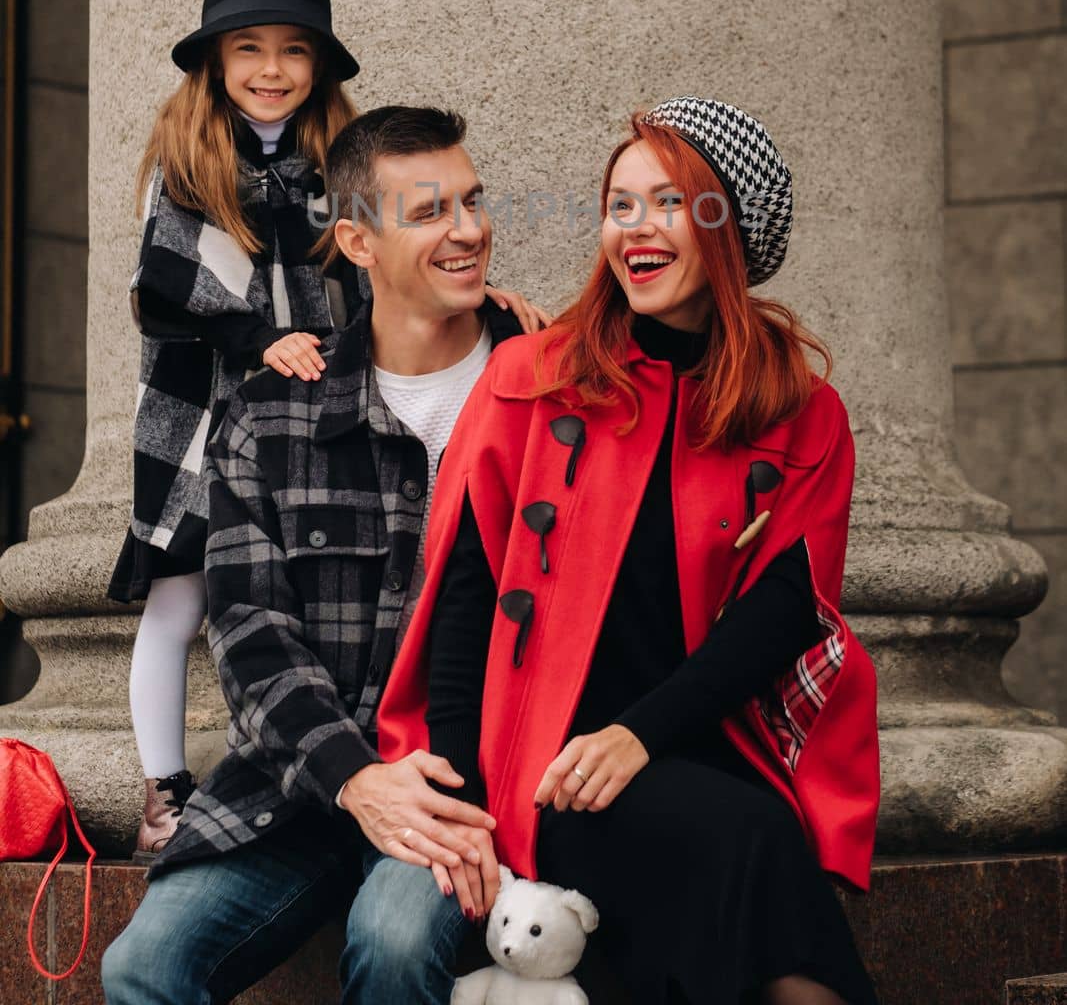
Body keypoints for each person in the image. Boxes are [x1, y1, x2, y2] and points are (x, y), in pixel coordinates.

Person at [379, 96, 882, 1005]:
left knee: (749, 841)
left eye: (671, 204)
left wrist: (638, 736)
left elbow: (779, 615)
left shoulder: (799, 412)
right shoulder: (531, 379)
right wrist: (471, 812)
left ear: (730, 229)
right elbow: (465, 598)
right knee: (745, 849)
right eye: (620, 204)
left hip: (692, 743)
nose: (635, 229)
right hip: (544, 768)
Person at [102, 105, 547, 1005]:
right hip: (301, 791)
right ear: (356, 241)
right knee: (140, 968)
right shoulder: (274, 414)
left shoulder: (546, 394)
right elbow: (252, 635)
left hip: (463, 787)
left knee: (391, 942)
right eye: (429, 213)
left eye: (472, 202)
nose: (468, 232)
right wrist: (355, 781)